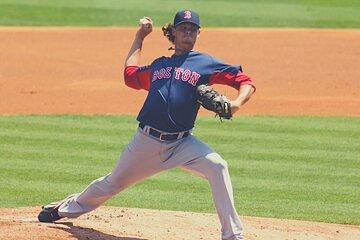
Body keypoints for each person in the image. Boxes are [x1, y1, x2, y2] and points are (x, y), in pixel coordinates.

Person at [38, 10, 256, 240]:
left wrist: (236, 103)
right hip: (147, 142)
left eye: (192, 29)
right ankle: (62, 209)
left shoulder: (206, 63)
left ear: (199, 33)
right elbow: (130, 76)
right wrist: (139, 37)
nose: (188, 32)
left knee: (218, 166)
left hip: (183, 143)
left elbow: (245, 81)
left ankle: (233, 236)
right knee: (111, 184)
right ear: (173, 32)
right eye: (183, 28)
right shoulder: (159, 65)